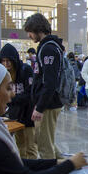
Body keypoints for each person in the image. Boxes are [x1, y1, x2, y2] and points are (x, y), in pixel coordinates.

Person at [24, 13, 65, 159]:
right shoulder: (46, 47)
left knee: (44, 145)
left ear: (37, 29)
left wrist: (40, 107)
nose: (29, 35)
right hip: (46, 103)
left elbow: (50, 82)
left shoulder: (48, 49)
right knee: (46, 141)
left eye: (29, 31)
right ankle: (67, 165)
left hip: (48, 104)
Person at [0, 44, 37, 159]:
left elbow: (30, 93)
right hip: (15, 114)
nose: (6, 64)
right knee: (20, 145)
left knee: (31, 146)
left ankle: (33, 169)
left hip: (28, 113)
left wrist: (12, 100)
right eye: (4, 61)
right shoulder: (3, 74)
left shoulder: (26, 70)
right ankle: (24, 168)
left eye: (9, 61)